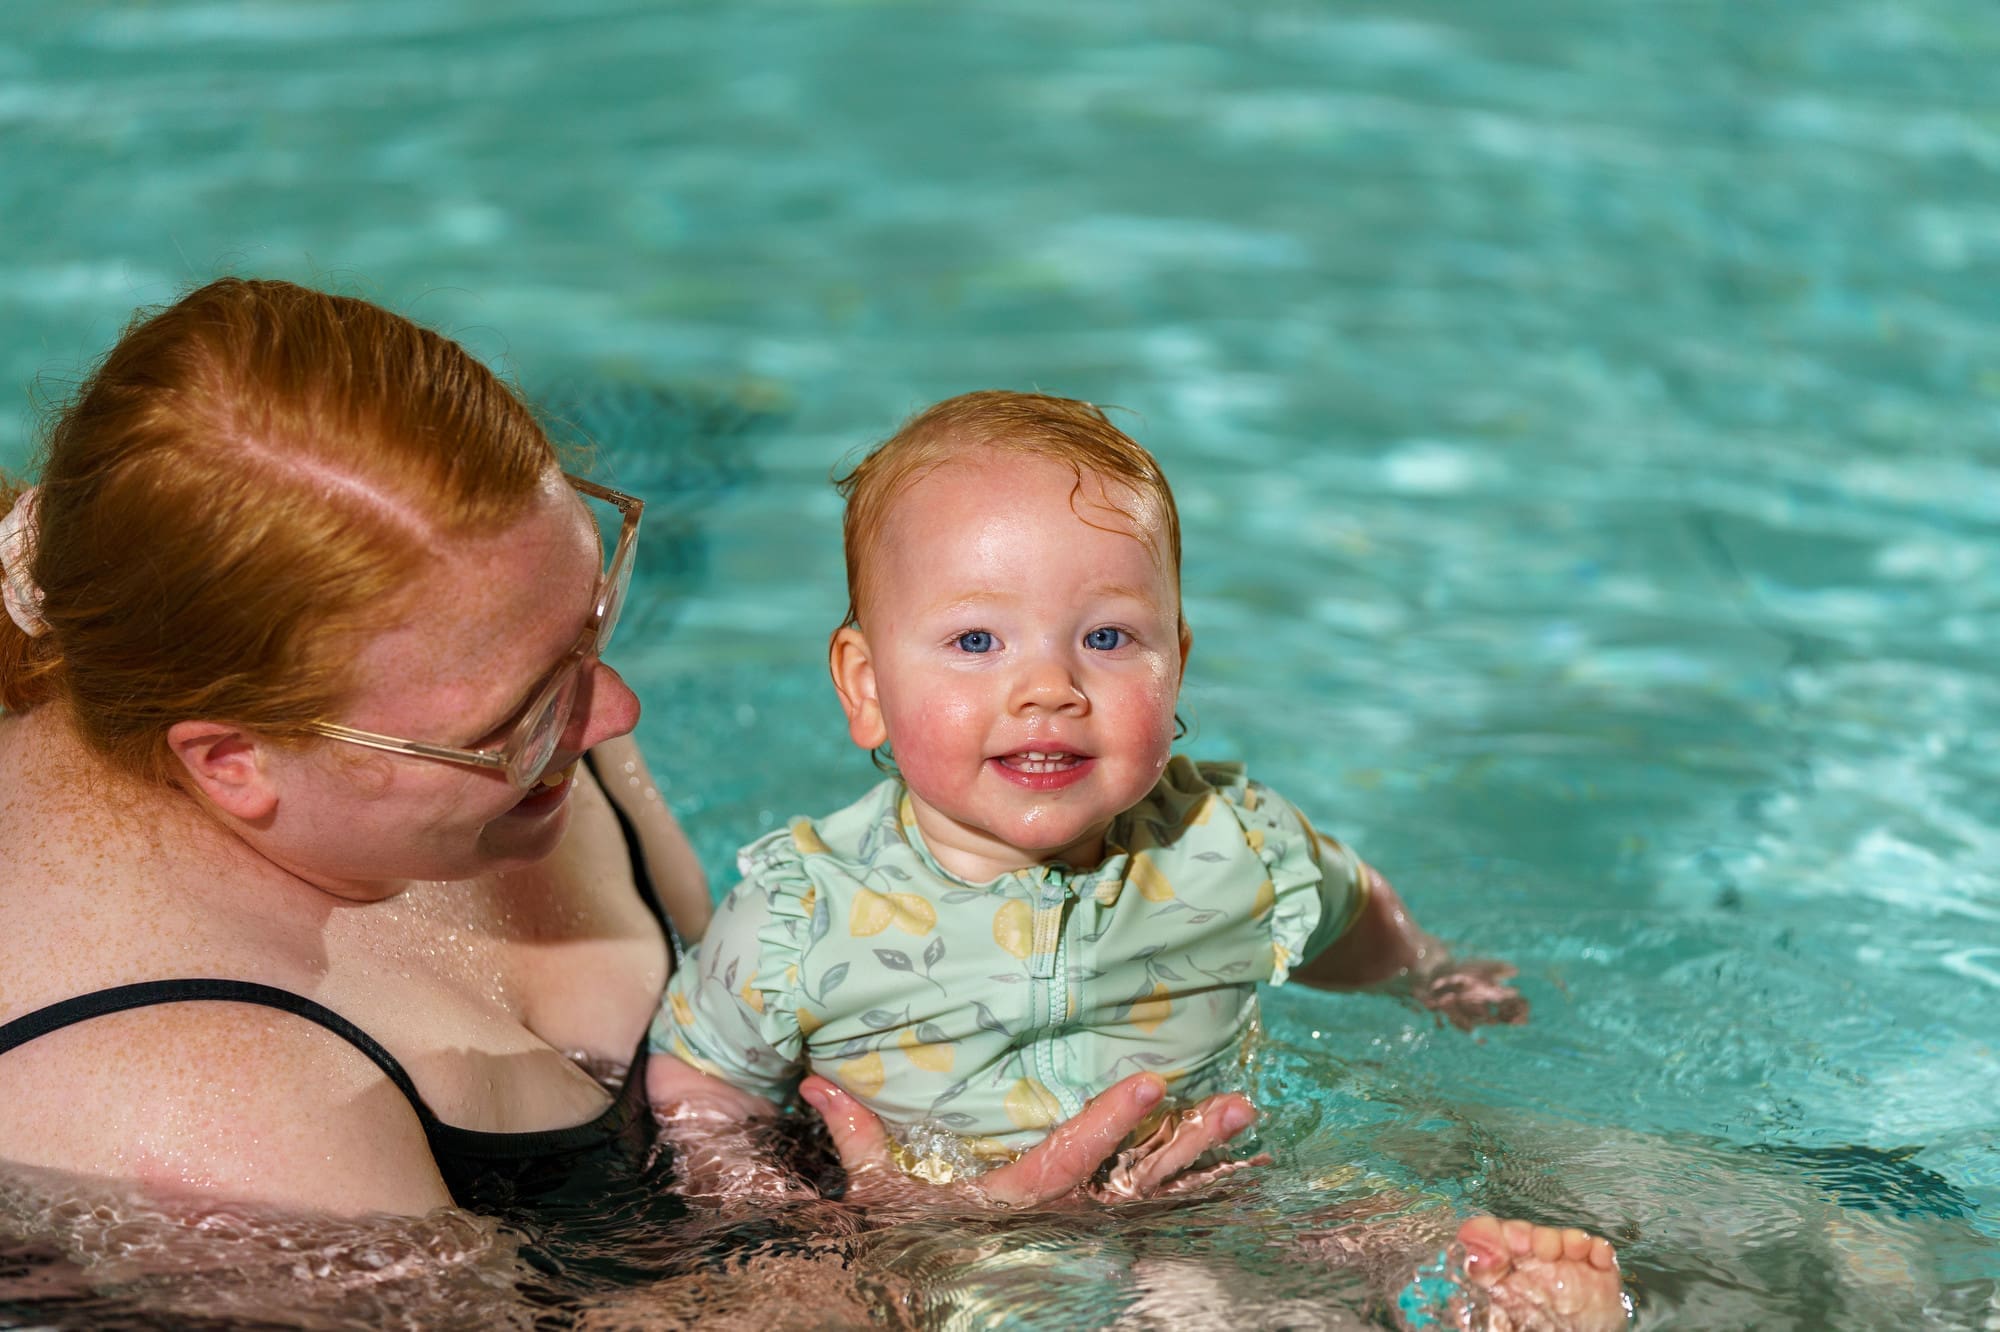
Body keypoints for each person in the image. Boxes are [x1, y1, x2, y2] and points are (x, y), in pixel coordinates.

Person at [0, 280, 1257, 1229]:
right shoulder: (208, 1115)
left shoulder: (494, 668)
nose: (613, 718)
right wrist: (940, 1254)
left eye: (591, 615)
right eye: (518, 717)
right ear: (236, 763)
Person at [647, 390, 1627, 1328]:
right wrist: (793, 1222)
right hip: (958, 1237)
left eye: (1107, 637)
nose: (1048, 687)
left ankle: (1492, 1295)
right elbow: (698, 1090)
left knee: (1373, 1229)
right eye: (976, 639)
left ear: (1177, 663)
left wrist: (1429, 974)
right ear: (865, 685)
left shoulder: (1232, 846)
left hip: (1220, 1191)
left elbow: (1349, 905)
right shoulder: (798, 914)